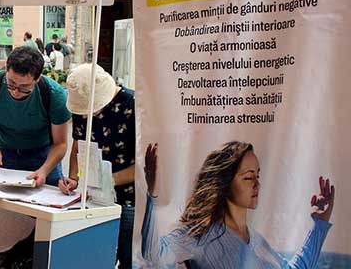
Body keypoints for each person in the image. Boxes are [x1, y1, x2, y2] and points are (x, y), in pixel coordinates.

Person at [141, 141, 335, 268]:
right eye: (249, 177)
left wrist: (319, 225)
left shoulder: (256, 241)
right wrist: (154, 195)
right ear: (225, 182)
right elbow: (154, 254)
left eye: (257, 175)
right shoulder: (200, 236)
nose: (257, 183)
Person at [59, 64, 136, 269]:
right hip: (93, 197)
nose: (89, 114)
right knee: (96, 255)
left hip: (129, 198)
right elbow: (78, 143)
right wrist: (74, 178)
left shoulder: (135, 105)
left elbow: (146, 164)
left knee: (129, 258)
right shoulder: (81, 106)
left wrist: (107, 181)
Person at [0, 46, 71, 187]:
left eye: (24, 87)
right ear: (6, 69)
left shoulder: (54, 95)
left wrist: (44, 171)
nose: (16, 92)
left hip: (44, 155)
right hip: (6, 154)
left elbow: (60, 144)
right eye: (11, 84)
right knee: (3, 204)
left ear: (37, 79)